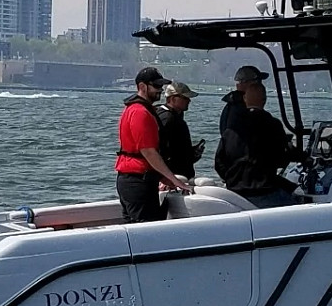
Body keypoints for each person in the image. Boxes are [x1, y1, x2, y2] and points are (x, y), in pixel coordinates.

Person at [214, 64, 302, 207]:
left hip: (235, 188)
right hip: (262, 190)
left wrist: (233, 179)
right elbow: (278, 157)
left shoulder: (230, 121)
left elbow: (220, 160)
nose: (260, 83)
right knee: (300, 204)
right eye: (257, 81)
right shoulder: (271, 124)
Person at [116, 65, 193, 223]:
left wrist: (163, 178)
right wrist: (175, 180)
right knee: (145, 228)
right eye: (156, 86)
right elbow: (149, 152)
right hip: (137, 180)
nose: (160, 90)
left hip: (134, 178)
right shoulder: (140, 112)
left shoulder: (136, 109)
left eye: (161, 86)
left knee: (135, 225)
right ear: (142, 86)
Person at [156, 81, 204, 182]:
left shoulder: (173, 116)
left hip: (178, 175)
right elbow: (161, 149)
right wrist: (164, 177)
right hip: (172, 177)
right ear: (173, 99)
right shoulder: (167, 118)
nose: (189, 101)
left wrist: (193, 153)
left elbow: (176, 149)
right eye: (185, 98)